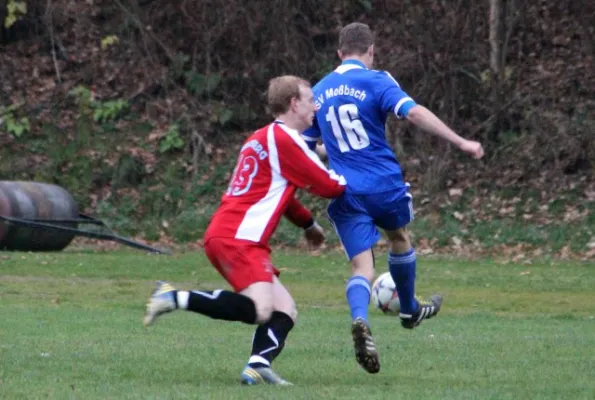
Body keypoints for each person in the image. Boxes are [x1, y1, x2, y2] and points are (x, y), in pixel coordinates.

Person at [302, 22, 485, 374]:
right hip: (383, 185)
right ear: (370, 51)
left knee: (361, 267)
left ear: (339, 53)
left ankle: (360, 318)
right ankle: (409, 310)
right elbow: (413, 112)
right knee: (399, 238)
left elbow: (309, 147)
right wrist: (460, 141)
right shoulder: (377, 79)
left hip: (343, 189)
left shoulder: (320, 91)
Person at [143, 75, 347, 385]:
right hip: (239, 238)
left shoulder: (262, 137)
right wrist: (362, 177)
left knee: (285, 309)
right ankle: (174, 296)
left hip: (231, 234)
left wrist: (308, 224)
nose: (315, 107)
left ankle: (258, 365)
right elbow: (330, 186)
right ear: (294, 103)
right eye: (310, 100)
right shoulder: (285, 141)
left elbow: (280, 194)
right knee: (261, 309)